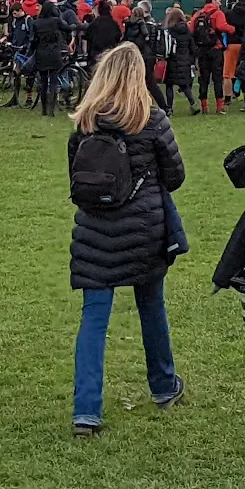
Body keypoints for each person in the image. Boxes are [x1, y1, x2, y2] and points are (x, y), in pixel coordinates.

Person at [68, 44, 186, 437]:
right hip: (143, 228)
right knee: (151, 306)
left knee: (94, 317)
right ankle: (164, 386)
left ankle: (86, 409)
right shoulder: (151, 120)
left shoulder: (85, 121)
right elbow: (175, 175)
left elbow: (74, 175)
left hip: (95, 229)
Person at [190, 0, 233, 113]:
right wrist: (232, 29)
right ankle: (219, 107)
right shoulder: (218, 13)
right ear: (213, 1)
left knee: (203, 78)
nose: (220, 3)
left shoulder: (198, 14)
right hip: (216, 48)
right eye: (219, 0)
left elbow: (191, 30)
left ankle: (204, 107)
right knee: (217, 78)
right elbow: (221, 26)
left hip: (202, 49)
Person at [31, 0, 71, 116]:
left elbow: (33, 40)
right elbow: (67, 28)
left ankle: (44, 109)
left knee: (43, 83)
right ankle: (51, 110)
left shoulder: (36, 23)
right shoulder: (56, 21)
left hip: (41, 52)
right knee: (53, 81)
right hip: (54, 52)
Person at [162, 6, 198, 114]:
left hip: (172, 60)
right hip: (185, 60)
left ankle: (169, 108)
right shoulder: (187, 30)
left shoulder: (169, 31)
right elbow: (192, 47)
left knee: (169, 85)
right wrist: (191, 61)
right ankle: (193, 104)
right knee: (185, 85)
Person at [224, 0, 245, 102]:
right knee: (244, 70)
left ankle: (227, 97)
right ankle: (241, 93)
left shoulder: (229, 13)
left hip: (232, 43)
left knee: (228, 73)